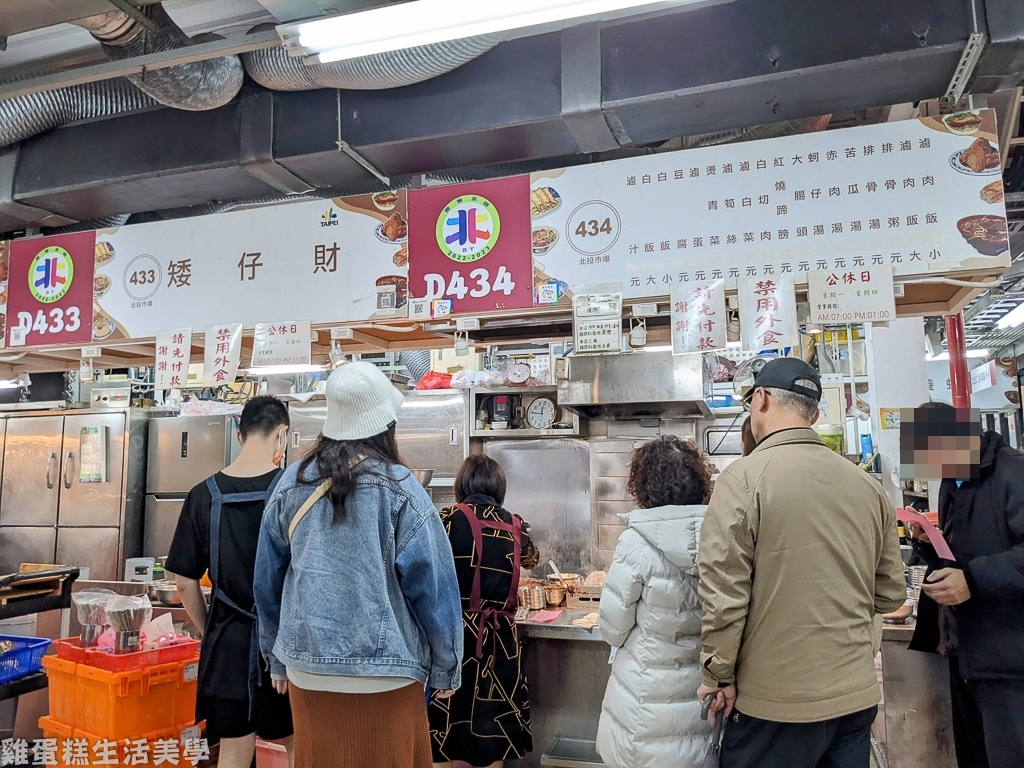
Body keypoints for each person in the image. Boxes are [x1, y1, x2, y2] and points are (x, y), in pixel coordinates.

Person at [696, 357, 905, 768]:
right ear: (812, 412)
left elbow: (724, 597)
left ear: (761, 399)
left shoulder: (742, 480)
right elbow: (890, 593)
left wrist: (717, 675)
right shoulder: (867, 485)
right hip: (855, 701)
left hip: (775, 708)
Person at [254, 361, 463, 768]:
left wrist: (276, 656)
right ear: (385, 423)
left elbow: (266, 581)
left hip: (308, 671)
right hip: (389, 674)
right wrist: (446, 666)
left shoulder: (290, 483)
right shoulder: (402, 487)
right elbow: (432, 586)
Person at [167, 396, 294, 768]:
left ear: (240, 437)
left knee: (234, 754)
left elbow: (183, 582)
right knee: (299, 745)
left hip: (228, 650)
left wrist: (213, 627)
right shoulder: (294, 492)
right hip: (286, 648)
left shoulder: (202, 495)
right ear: (282, 436)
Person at [905, 402, 1024, 767]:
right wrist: (931, 544)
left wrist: (973, 579)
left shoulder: (1012, 474)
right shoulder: (954, 480)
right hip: (966, 650)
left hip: (1011, 658)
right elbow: (968, 551)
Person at [596, 436, 714, 768]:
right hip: (702, 704)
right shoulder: (723, 535)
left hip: (644, 706)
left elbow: (613, 629)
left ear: (644, 485)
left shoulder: (635, 542)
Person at [428, 454, 541, 768]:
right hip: (501, 646)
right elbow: (532, 558)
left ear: (461, 485)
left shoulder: (447, 520)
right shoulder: (516, 526)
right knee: (494, 737)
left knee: (443, 735)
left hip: (456, 643)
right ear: (499, 488)